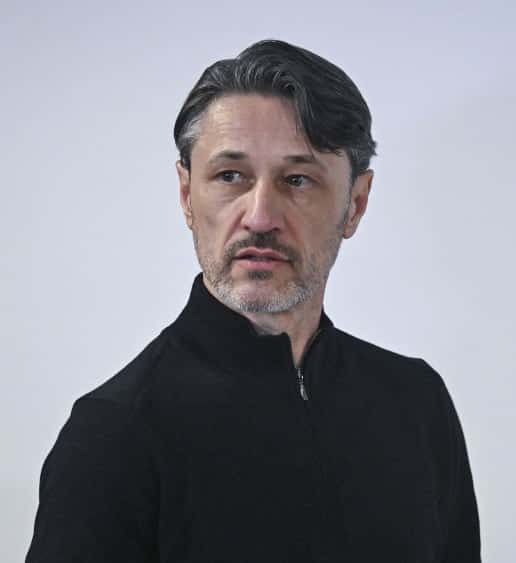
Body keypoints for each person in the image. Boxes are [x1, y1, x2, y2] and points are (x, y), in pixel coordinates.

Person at [26, 39, 480, 562]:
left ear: (355, 203)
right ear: (186, 195)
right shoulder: (114, 434)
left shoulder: (416, 405)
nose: (261, 216)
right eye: (230, 176)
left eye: (298, 180)